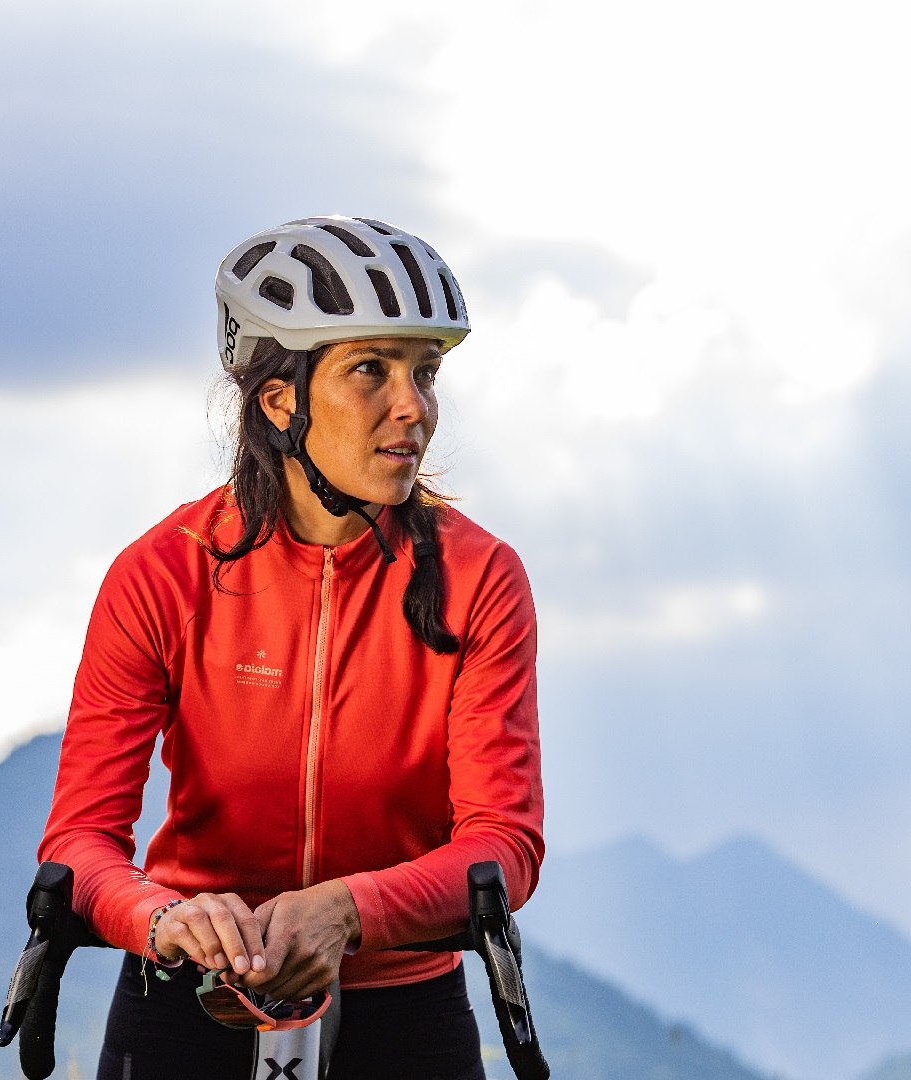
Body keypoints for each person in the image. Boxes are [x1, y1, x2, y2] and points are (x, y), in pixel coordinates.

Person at [38, 215, 544, 1080]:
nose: (413, 406)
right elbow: (80, 841)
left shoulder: (479, 576)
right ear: (281, 400)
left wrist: (349, 908)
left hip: (405, 1009)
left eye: (425, 372)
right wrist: (160, 919)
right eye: (371, 371)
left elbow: (503, 840)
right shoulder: (163, 574)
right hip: (187, 998)